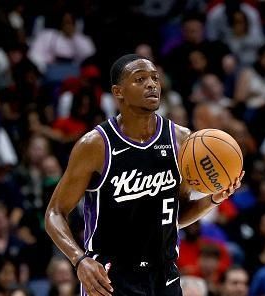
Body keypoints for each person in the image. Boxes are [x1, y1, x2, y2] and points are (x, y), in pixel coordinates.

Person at [45, 54, 243, 296]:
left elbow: (175, 217)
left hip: (164, 275)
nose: (152, 84)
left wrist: (213, 199)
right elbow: (55, 213)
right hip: (110, 277)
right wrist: (79, 260)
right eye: (140, 79)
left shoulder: (181, 140)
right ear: (118, 92)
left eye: (155, 78)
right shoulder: (95, 145)